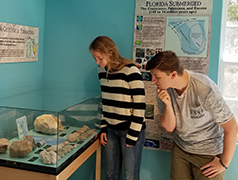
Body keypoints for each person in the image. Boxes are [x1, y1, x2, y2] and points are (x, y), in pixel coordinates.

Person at [146, 51, 238, 180]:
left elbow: (232, 127)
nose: (152, 81)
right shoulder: (163, 88)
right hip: (181, 148)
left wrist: (224, 163)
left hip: (207, 151)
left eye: (157, 77)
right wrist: (167, 105)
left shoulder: (204, 88)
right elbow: (169, 127)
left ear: (173, 74)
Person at [89, 36, 146, 180]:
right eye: (94, 58)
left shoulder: (130, 70)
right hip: (111, 130)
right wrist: (103, 127)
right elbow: (105, 101)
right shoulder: (101, 71)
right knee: (110, 174)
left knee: (130, 175)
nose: (97, 62)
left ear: (111, 53)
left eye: (100, 58)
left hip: (130, 129)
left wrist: (132, 135)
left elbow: (140, 105)